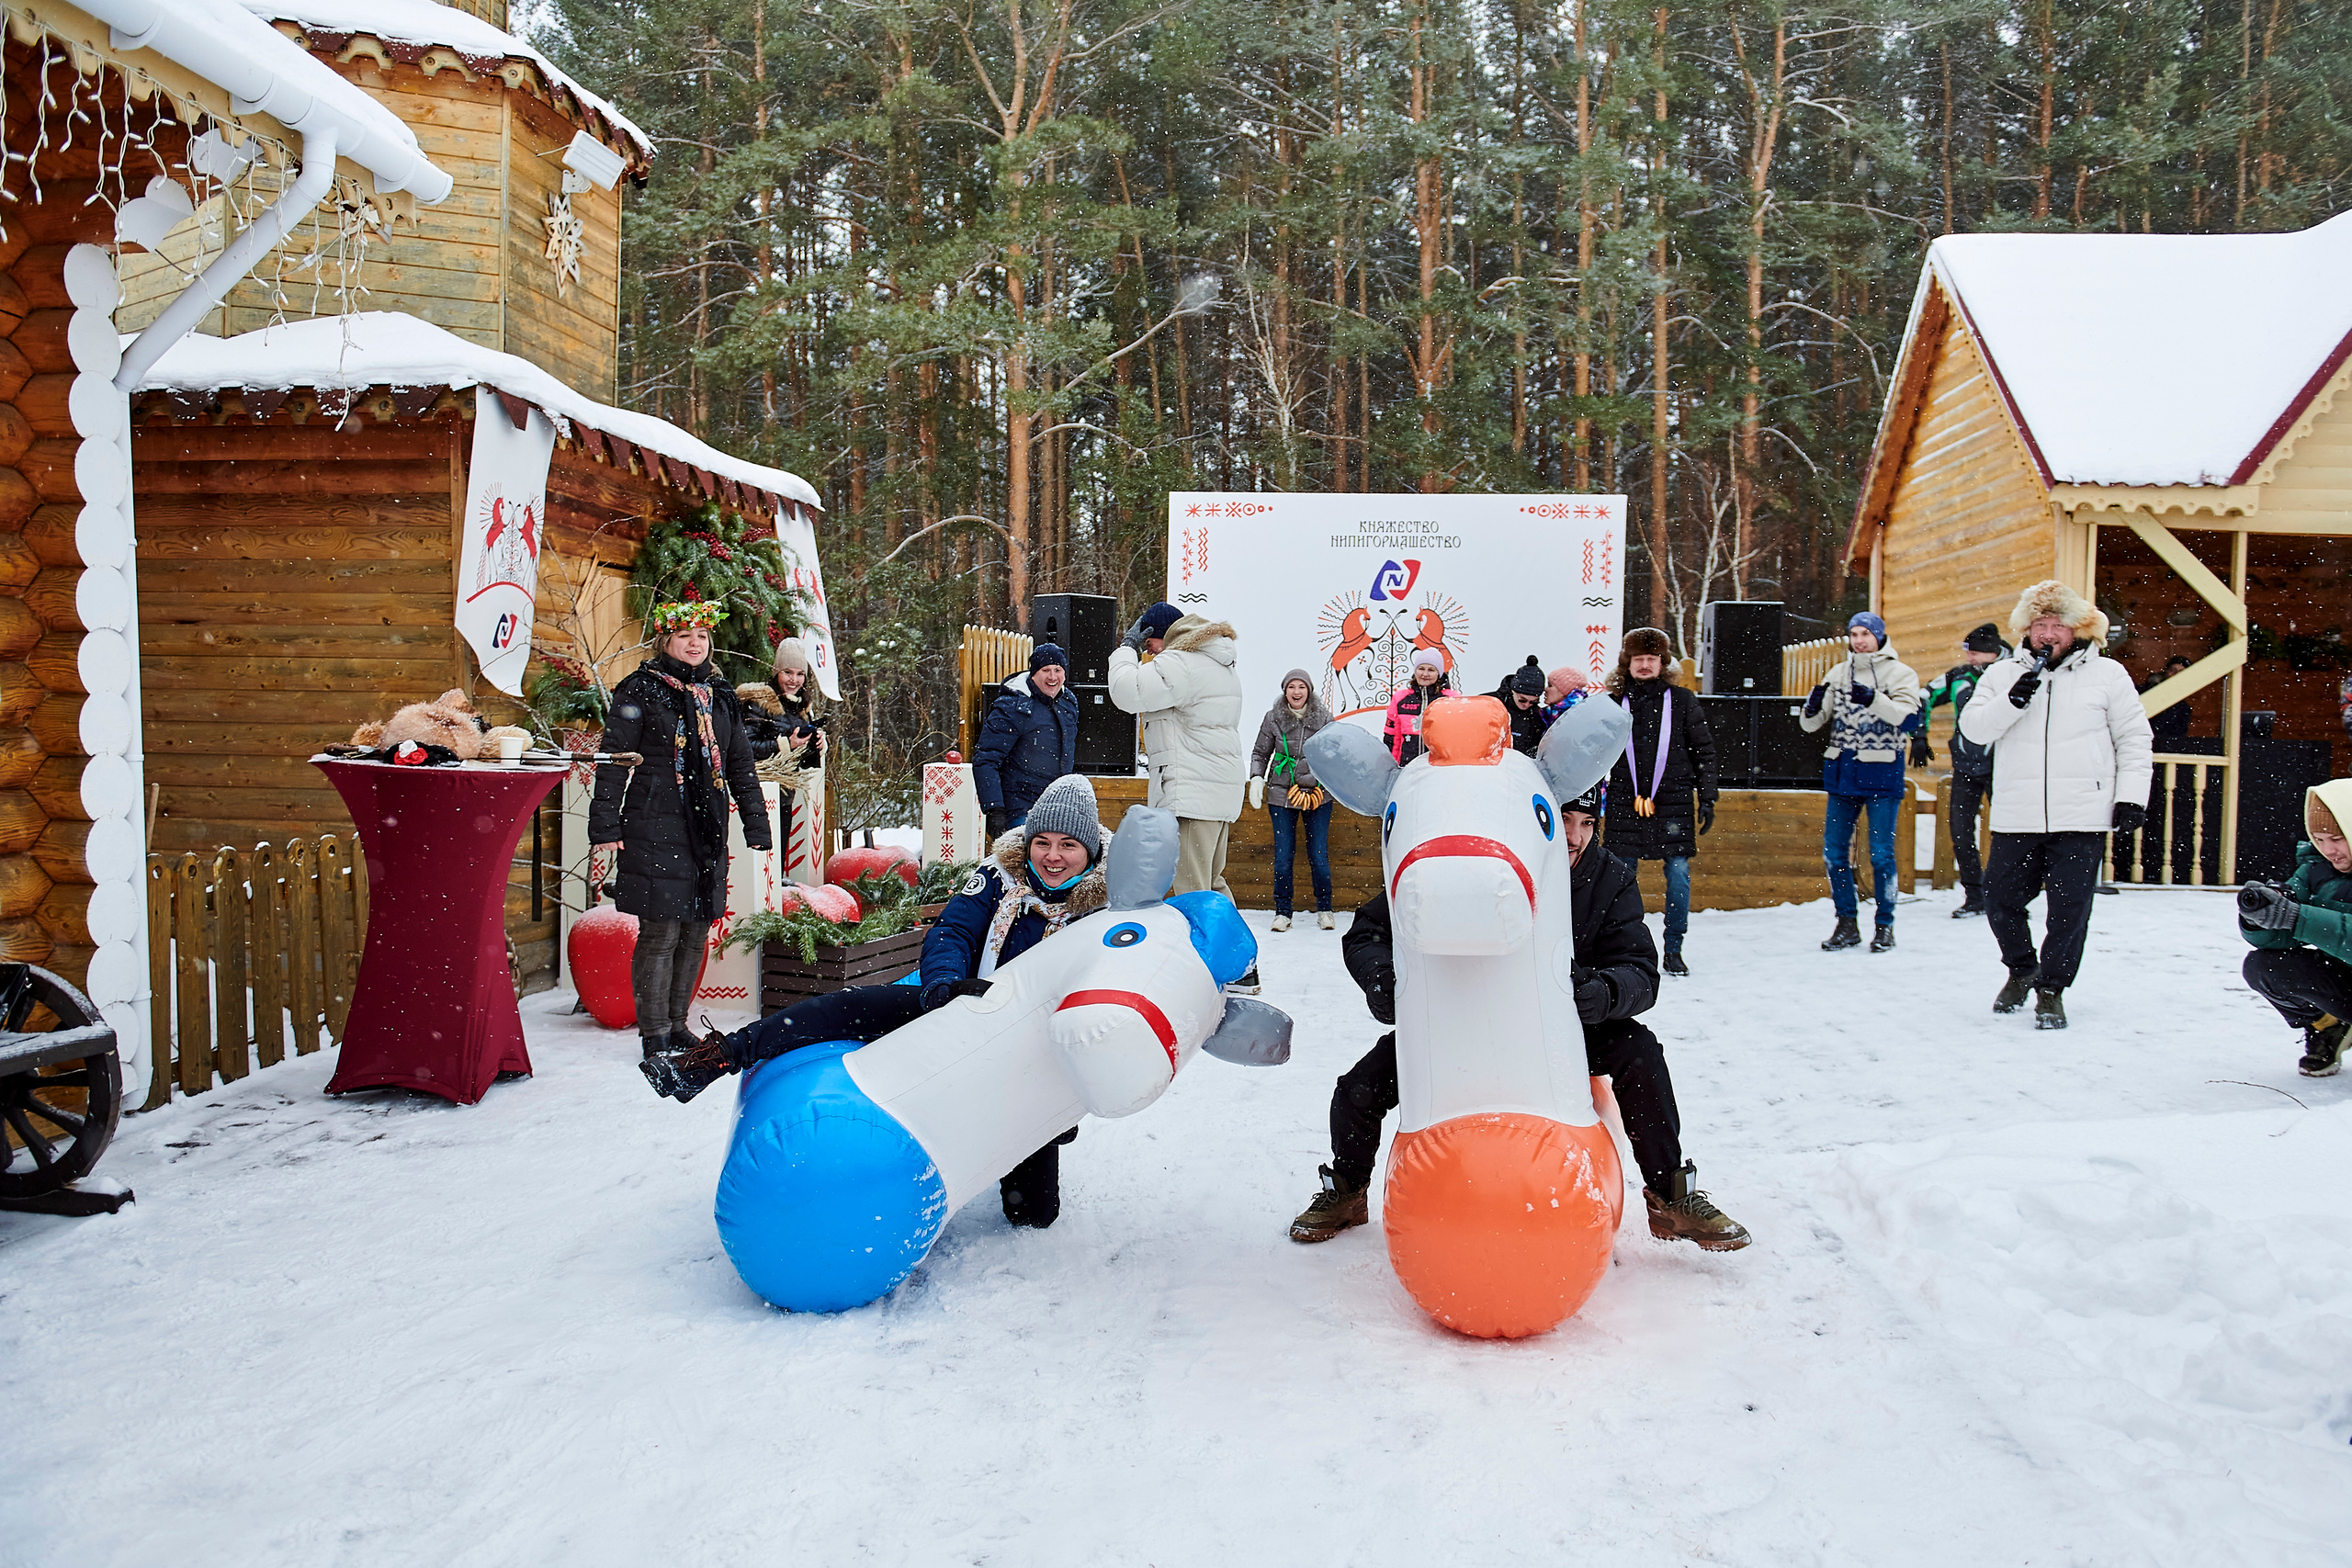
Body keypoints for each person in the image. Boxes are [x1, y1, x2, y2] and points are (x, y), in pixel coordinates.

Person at [1284, 781, 1750, 1252]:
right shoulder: (1474, 868)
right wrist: (1384, 979)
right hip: (1460, 1020)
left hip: (1562, 1031)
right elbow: (1367, 934)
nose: (1574, 836)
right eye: (1564, 821)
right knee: (1358, 1088)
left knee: (1642, 1053)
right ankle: (1345, 1192)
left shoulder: (1608, 878)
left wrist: (1603, 992)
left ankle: (1672, 1198)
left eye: (1587, 824)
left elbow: (1640, 973)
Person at [640, 775, 1111, 1226]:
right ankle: (714, 1058)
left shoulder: (1103, 909)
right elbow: (955, 930)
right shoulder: (996, 878)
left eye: (1068, 844)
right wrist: (945, 985)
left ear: (1089, 850)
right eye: (1042, 841)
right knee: (845, 1007)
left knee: (1033, 1214)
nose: (1052, 856)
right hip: (960, 1008)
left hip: (1028, 1053)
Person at [1960, 581, 2153, 1030]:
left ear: (2077, 630)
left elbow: (2134, 739)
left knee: (2069, 911)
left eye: (2057, 626)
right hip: (2017, 812)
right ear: (2026, 630)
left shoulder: (2108, 675)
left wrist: (2129, 797)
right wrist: (2012, 703)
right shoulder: (2003, 674)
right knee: (1999, 899)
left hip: (2081, 814)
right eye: (2039, 625)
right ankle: (2022, 968)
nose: (2048, 634)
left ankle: (2051, 990)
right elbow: (1975, 730)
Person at [591, 601, 774, 1059]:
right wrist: (605, 824)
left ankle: (677, 1025)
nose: (695, 644)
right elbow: (614, 761)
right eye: (684, 636)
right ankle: (654, 1033)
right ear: (666, 641)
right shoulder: (641, 689)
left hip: (706, 824)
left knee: (695, 929)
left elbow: (739, 763)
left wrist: (756, 820)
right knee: (661, 931)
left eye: (702, 637)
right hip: (655, 820)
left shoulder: (720, 694)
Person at [1109, 601, 1254, 990]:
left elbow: (1127, 692)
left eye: (1149, 645)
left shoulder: (1182, 661)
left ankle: (1212, 973)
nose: (1149, 655)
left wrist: (1124, 648)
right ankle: (1240, 965)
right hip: (1213, 789)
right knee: (1211, 884)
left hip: (1193, 790)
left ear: (1161, 637)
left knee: (1192, 889)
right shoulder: (1214, 661)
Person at [1800, 611, 1923, 953]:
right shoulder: (1838, 673)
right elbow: (1813, 724)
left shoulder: (1901, 674)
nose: (1859, 641)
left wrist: (1873, 698)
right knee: (1834, 852)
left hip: (1882, 771)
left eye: (1865, 634)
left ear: (1880, 636)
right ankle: (1846, 921)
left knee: (1881, 854)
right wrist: (1809, 709)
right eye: (1854, 634)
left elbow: (1907, 718)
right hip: (1843, 774)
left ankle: (1885, 925)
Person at [1601, 628, 1717, 978]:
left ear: (1663, 663)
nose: (1646, 665)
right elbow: (1593, 752)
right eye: (1639, 659)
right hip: (1625, 800)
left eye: (1652, 659)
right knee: (1621, 879)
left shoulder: (1682, 700)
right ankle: (1625, 948)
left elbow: (1705, 752)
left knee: (1679, 876)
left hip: (1673, 802)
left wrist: (1708, 798)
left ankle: (1674, 948)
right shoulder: (1611, 702)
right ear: (1628, 663)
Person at [2240, 779, 2352, 1077]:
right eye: (2319, 839)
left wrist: (2298, 917)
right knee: (2263, 967)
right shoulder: (2317, 869)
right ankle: (2329, 1026)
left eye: (2337, 838)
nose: (2329, 850)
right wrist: (2262, 916)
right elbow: (2280, 937)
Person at [1921, 623, 2005, 917]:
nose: (1970, 657)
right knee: (1960, 831)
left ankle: (2007, 896)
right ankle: (1975, 895)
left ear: (1994, 652)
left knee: (2010, 834)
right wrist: (1919, 735)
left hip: (2003, 765)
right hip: (1967, 764)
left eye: (1977, 653)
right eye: (1968, 652)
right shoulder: (1959, 676)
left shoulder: (2010, 674)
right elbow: (1924, 695)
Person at [1248, 669, 1335, 931]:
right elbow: (1260, 752)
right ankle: (1283, 911)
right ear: (1285, 690)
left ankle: (1325, 908)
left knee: (1318, 854)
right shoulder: (1273, 717)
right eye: (1291, 687)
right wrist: (1256, 777)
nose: (1296, 692)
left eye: (1301, 687)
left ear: (1309, 690)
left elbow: (1335, 752)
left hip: (1318, 793)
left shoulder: (1324, 718)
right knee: (1284, 854)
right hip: (1281, 792)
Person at [974, 642, 1078, 837]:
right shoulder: (1012, 706)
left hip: (1055, 804)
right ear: (1033, 674)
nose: (1053, 677)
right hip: (1019, 805)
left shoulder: (1068, 702)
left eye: (1058, 670)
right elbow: (986, 758)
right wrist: (995, 809)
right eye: (1045, 670)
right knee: (1025, 863)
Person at [738, 636, 829, 853]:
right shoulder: (757, 701)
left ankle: (778, 883)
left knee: (777, 857)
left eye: (800, 674)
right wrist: (784, 744)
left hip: (785, 795)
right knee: (760, 859)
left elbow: (804, 763)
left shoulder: (801, 707)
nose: (793, 680)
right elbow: (744, 748)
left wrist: (816, 745)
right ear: (776, 671)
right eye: (787, 672)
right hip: (759, 794)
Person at [1383, 648, 1453, 764]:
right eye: (1421, 669)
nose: (1425, 674)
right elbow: (1391, 737)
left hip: (1439, 768)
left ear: (1438, 674)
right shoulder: (1400, 698)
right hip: (1406, 766)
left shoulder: (1451, 699)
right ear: (1415, 671)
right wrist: (1391, 763)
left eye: (1431, 670)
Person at [1489, 655, 1548, 756]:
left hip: (1517, 768)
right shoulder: (1491, 703)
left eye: (1533, 702)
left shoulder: (1537, 719)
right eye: (1523, 700)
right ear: (1513, 691)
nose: (1527, 705)